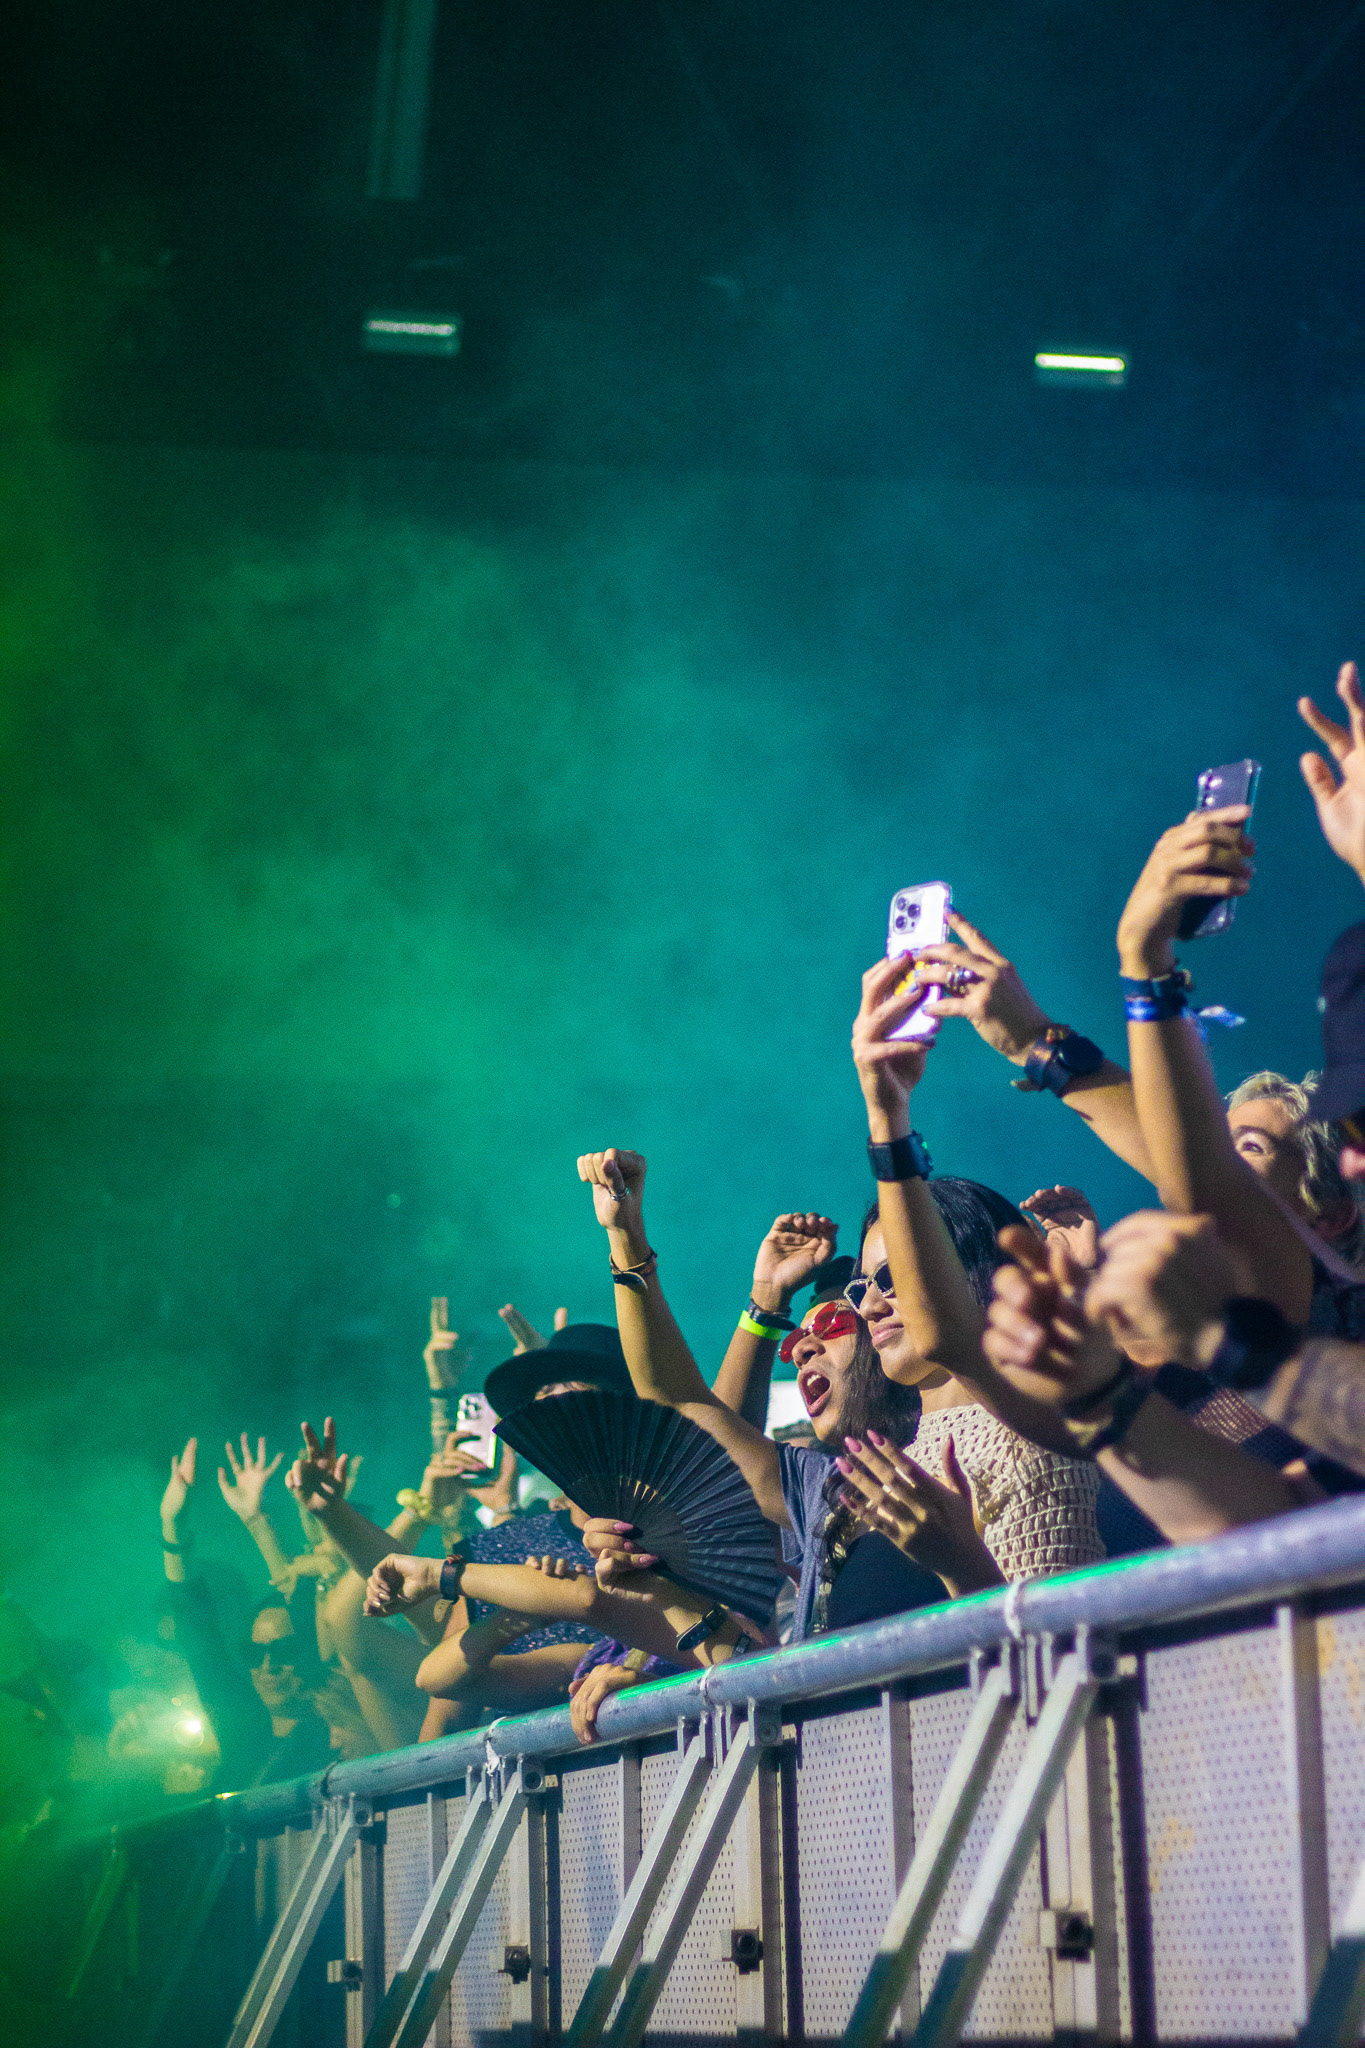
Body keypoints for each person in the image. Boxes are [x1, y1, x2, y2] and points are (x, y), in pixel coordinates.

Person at [573, 1147, 1020, 1641]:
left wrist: (960, 1563)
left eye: (830, 1322)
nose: (800, 1349)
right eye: (860, 1291)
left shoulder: (1035, 1439)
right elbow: (679, 1403)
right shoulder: (836, 1491)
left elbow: (1058, 1653)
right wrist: (625, 1237)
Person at [839, 955, 1105, 1582]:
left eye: (892, 1279)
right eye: (860, 1286)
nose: (869, 1306)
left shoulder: (1036, 1444)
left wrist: (888, 1115)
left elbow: (1048, 1655)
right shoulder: (886, 1462)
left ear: (981, 1275)